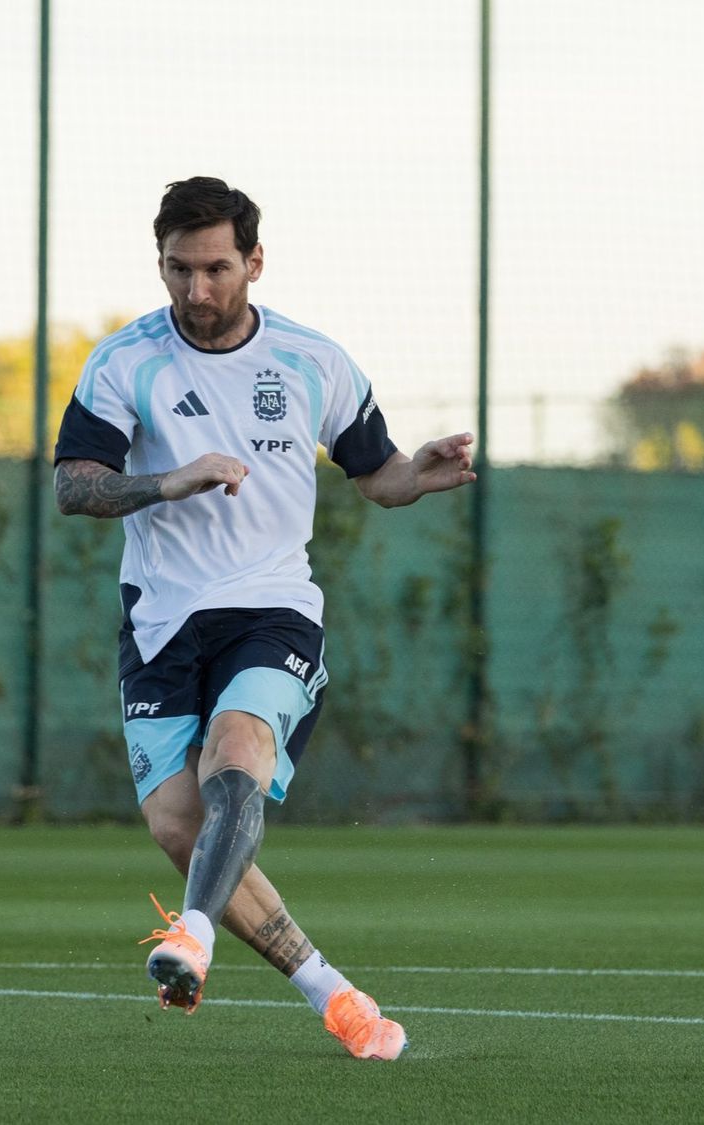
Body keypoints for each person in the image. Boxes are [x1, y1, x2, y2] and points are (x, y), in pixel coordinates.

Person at [51, 176, 475, 1061]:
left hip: (271, 608)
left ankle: (194, 935)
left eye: (214, 269)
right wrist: (172, 478)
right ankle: (337, 994)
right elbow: (73, 486)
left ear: (253, 260)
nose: (196, 291)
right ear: (160, 262)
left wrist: (417, 472)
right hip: (163, 622)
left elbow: (377, 472)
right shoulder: (125, 361)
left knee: (237, 749)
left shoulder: (311, 359)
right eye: (178, 270)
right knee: (178, 824)